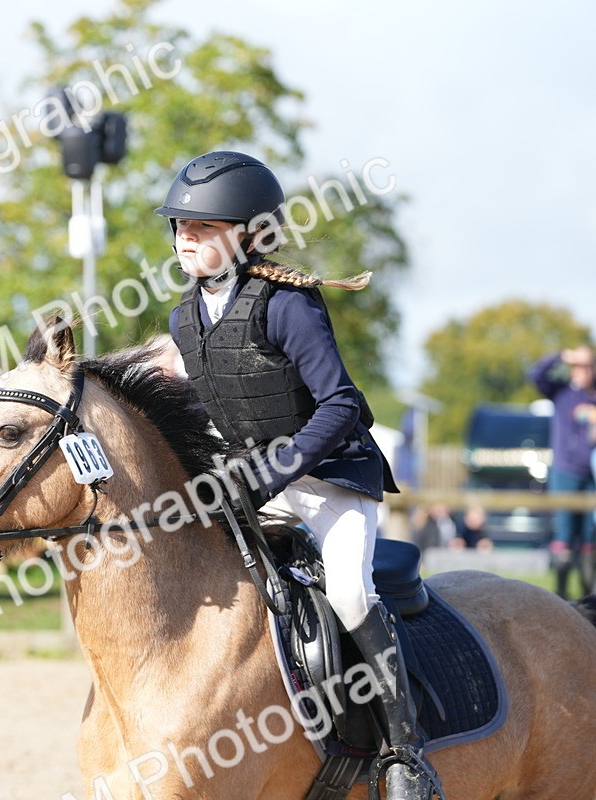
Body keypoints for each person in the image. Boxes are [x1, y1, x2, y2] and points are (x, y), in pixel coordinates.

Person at [159, 151, 431, 798]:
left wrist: (275, 471)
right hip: (259, 486)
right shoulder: (183, 316)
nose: (186, 237)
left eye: (204, 226)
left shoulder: (288, 304)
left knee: (349, 592)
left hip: (333, 481)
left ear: (249, 233)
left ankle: (403, 751)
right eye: (180, 226)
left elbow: (344, 404)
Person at [529, 346, 596, 598]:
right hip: (566, 470)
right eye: (578, 365)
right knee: (565, 534)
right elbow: (536, 375)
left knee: (590, 535)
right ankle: (562, 593)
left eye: (587, 365)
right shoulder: (562, 392)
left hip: (591, 473)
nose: (583, 371)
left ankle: (589, 595)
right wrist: (561, 356)